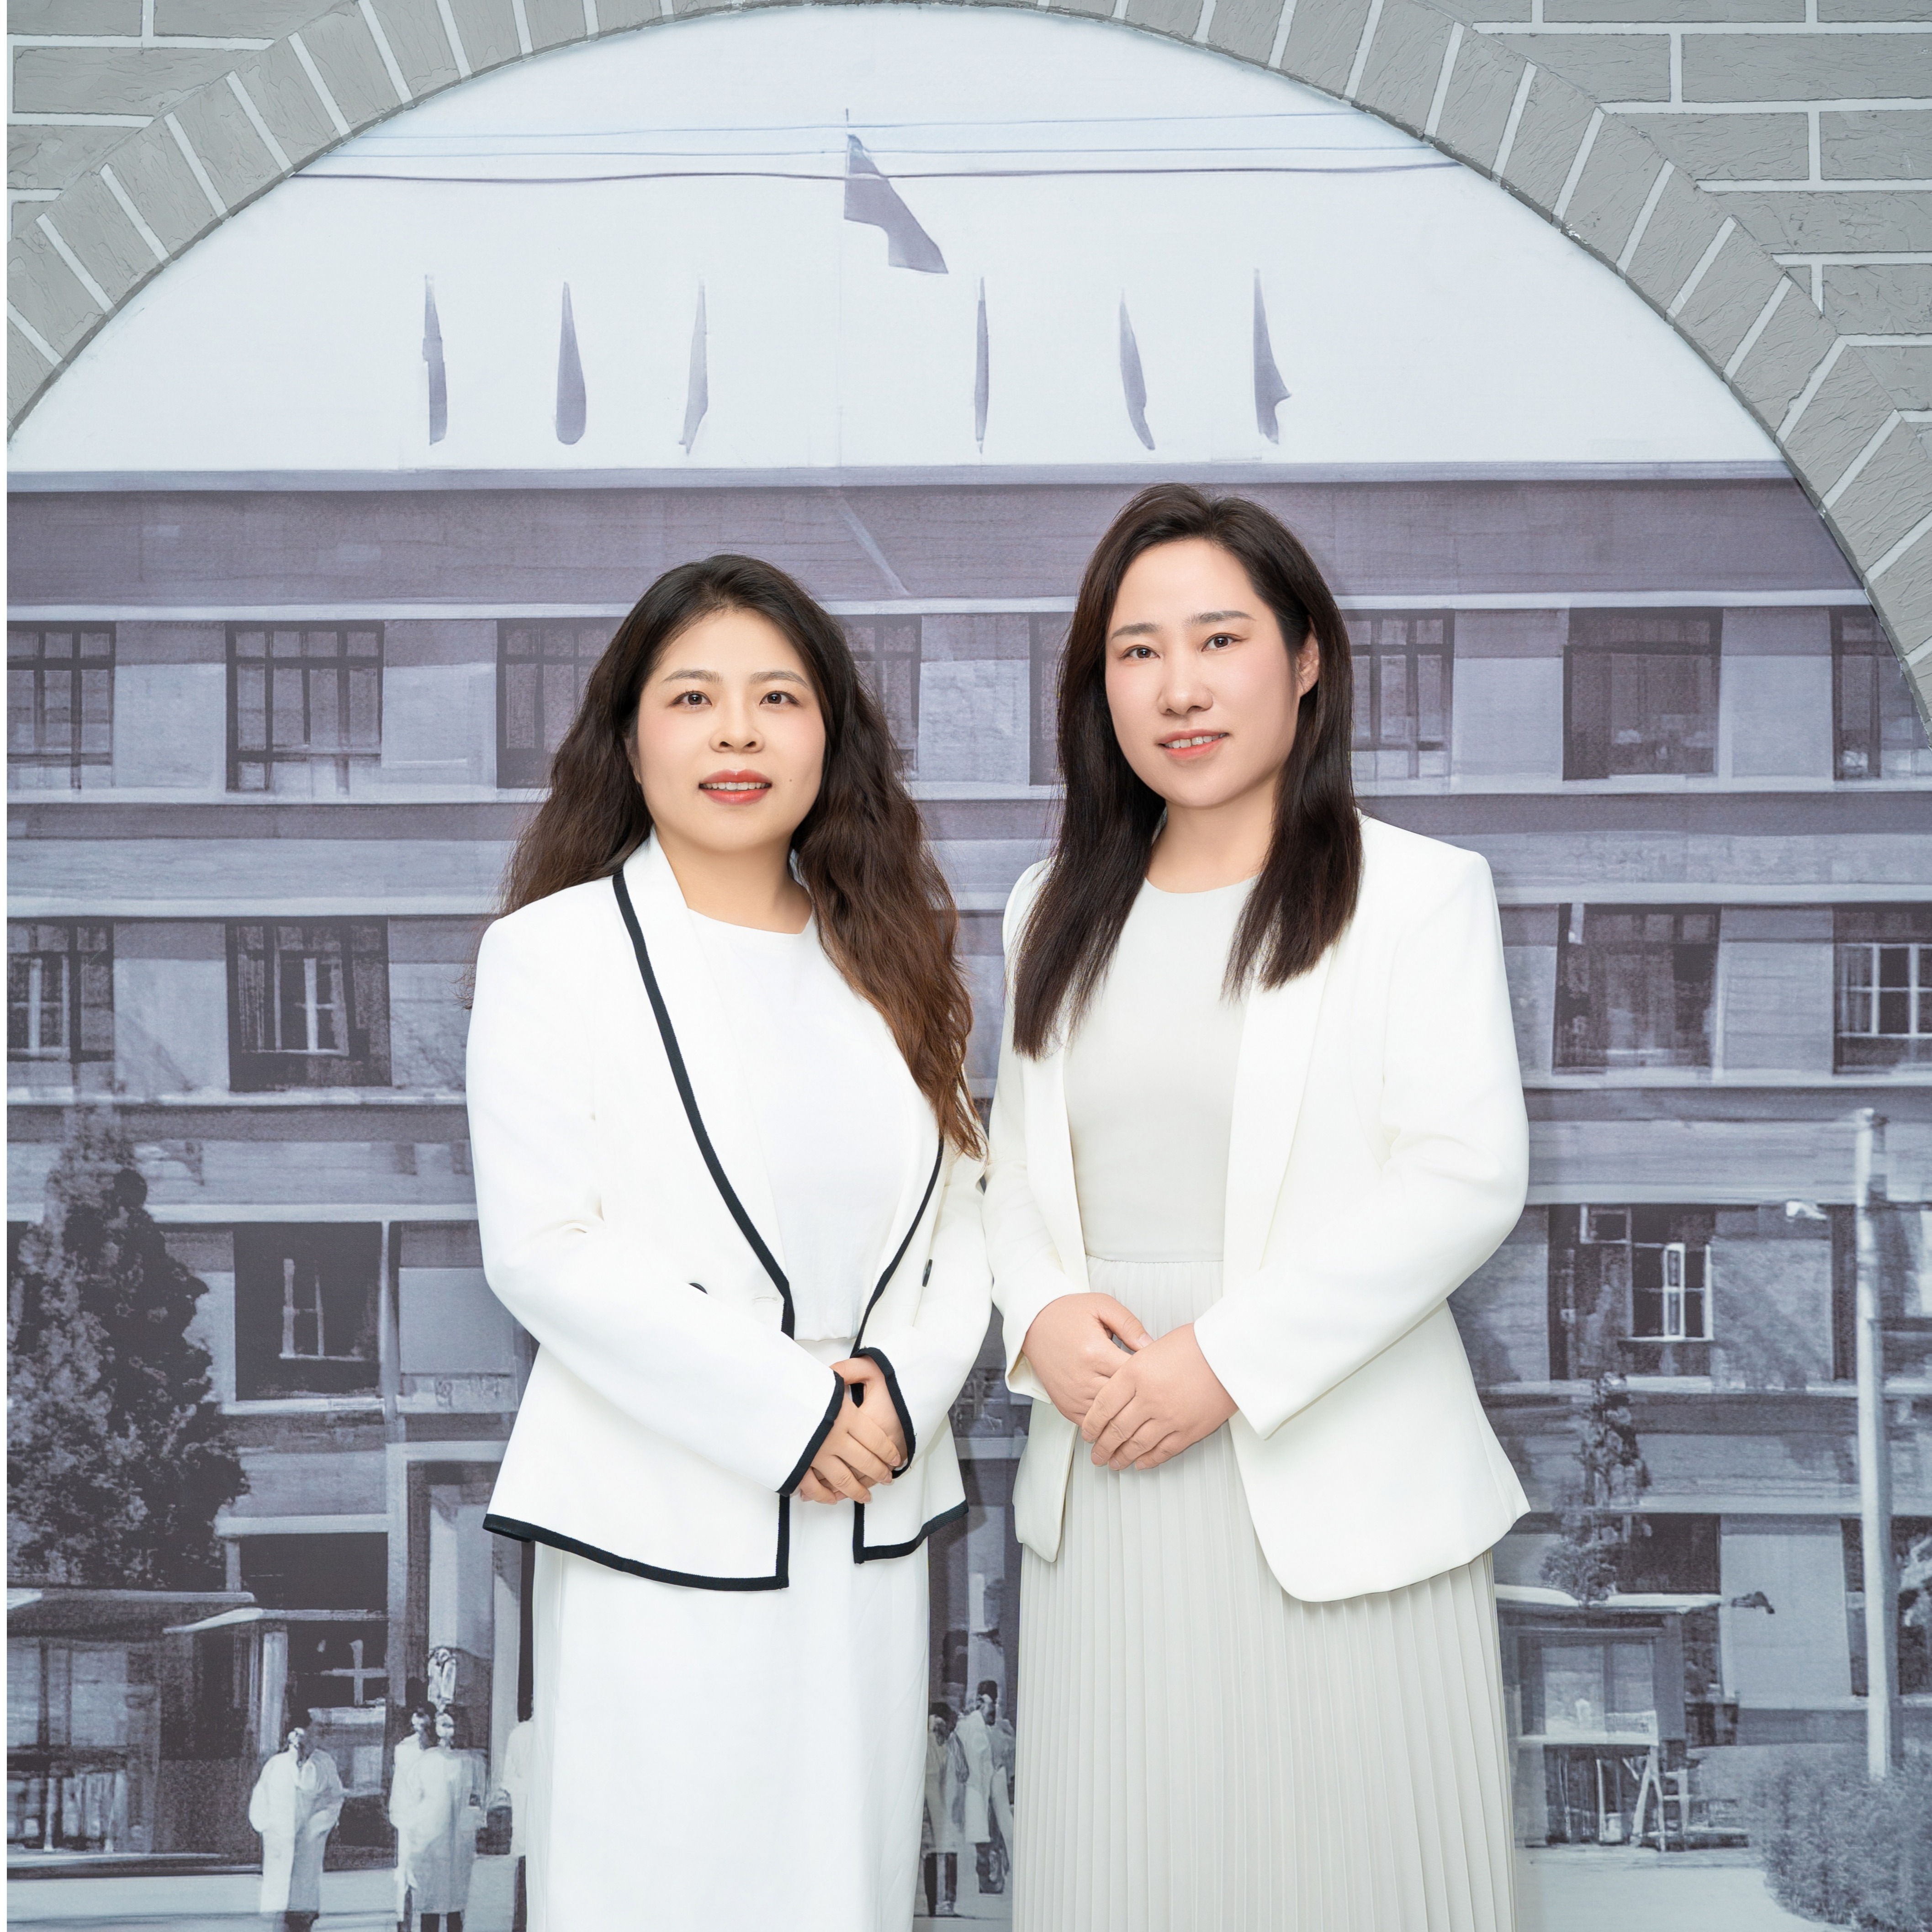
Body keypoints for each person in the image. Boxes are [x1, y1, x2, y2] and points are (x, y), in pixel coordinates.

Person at [987, 485, 1529, 1932]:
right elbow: (1011, 1167)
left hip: (1335, 1463)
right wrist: (1038, 1314)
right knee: (1131, 1871)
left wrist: (1221, 1360)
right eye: (1136, 650)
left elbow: (1463, 1170)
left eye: (1217, 638)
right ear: (1096, 686)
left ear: (1303, 658)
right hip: (1107, 1459)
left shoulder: (1414, 892)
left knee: (1352, 1877)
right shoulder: (1048, 905)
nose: (1177, 686)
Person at [466, 554, 990, 1932]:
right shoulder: (552, 954)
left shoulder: (897, 958)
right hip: (658, 1517)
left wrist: (896, 1388)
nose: (738, 733)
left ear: (832, 734)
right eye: (693, 697)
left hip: (866, 1522)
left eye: (778, 697)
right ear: (628, 735)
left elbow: (965, 1227)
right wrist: (788, 1408)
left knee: (845, 1885)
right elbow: (543, 1246)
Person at [248, 1715, 344, 1932]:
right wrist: (266, 1827)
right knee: (279, 1899)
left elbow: (334, 1799)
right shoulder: (277, 1764)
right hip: (279, 1839)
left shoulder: (324, 1763)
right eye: (297, 1735)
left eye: (307, 1734)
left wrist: (319, 1827)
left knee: (303, 1897)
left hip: (309, 1839)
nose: (301, 1741)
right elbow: (261, 1798)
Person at [391, 1708, 484, 1932]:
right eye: (443, 1725)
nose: (447, 1732)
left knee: (456, 1901)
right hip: (429, 1839)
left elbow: (478, 1798)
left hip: (458, 1840)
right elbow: (412, 1797)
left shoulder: (472, 1761)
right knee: (430, 1899)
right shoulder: (427, 1760)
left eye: (452, 1726)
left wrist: (471, 1822)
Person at [952, 1680, 1002, 1897]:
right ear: (983, 1702)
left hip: (978, 1791)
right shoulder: (973, 1727)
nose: (996, 1709)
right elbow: (975, 1765)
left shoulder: (977, 1726)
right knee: (979, 1837)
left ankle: (983, 1882)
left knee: (981, 1836)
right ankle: (982, 1882)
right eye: (994, 1703)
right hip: (973, 1791)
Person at [388, 1703, 434, 1932]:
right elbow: (400, 1785)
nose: (419, 1722)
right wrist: (400, 1816)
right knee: (406, 1873)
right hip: (409, 1815)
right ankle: (404, 1922)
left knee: (432, 1876)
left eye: (423, 1717)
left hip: (434, 1817)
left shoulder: (439, 1749)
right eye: (416, 1718)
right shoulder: (404, 1749)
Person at [920, 1703, 966, 1920]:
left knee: (936, 1852)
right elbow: (960, 1773)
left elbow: (961, 1773)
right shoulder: (941, 1742)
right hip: (939, 1808)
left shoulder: (942, 1741)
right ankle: (944, 1903)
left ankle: (937, 1904)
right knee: (943, 1851)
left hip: (937, 1808)